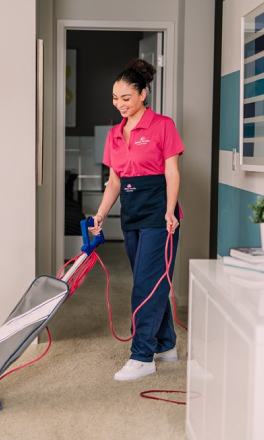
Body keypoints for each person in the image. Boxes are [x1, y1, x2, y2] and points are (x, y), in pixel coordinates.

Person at [88, 58, 183, 381]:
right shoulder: (115, 134)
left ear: (143, 94)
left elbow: (172, 171)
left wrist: (171, 211)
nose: (120, 104)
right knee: (152, 283)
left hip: (159, 213)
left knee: (146, 284)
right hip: (131, 213)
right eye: (115, 98)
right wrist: (100, 214)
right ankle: (166, 344)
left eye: (126, 98)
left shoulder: (162, 125)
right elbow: (114, 181)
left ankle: (143, 355)